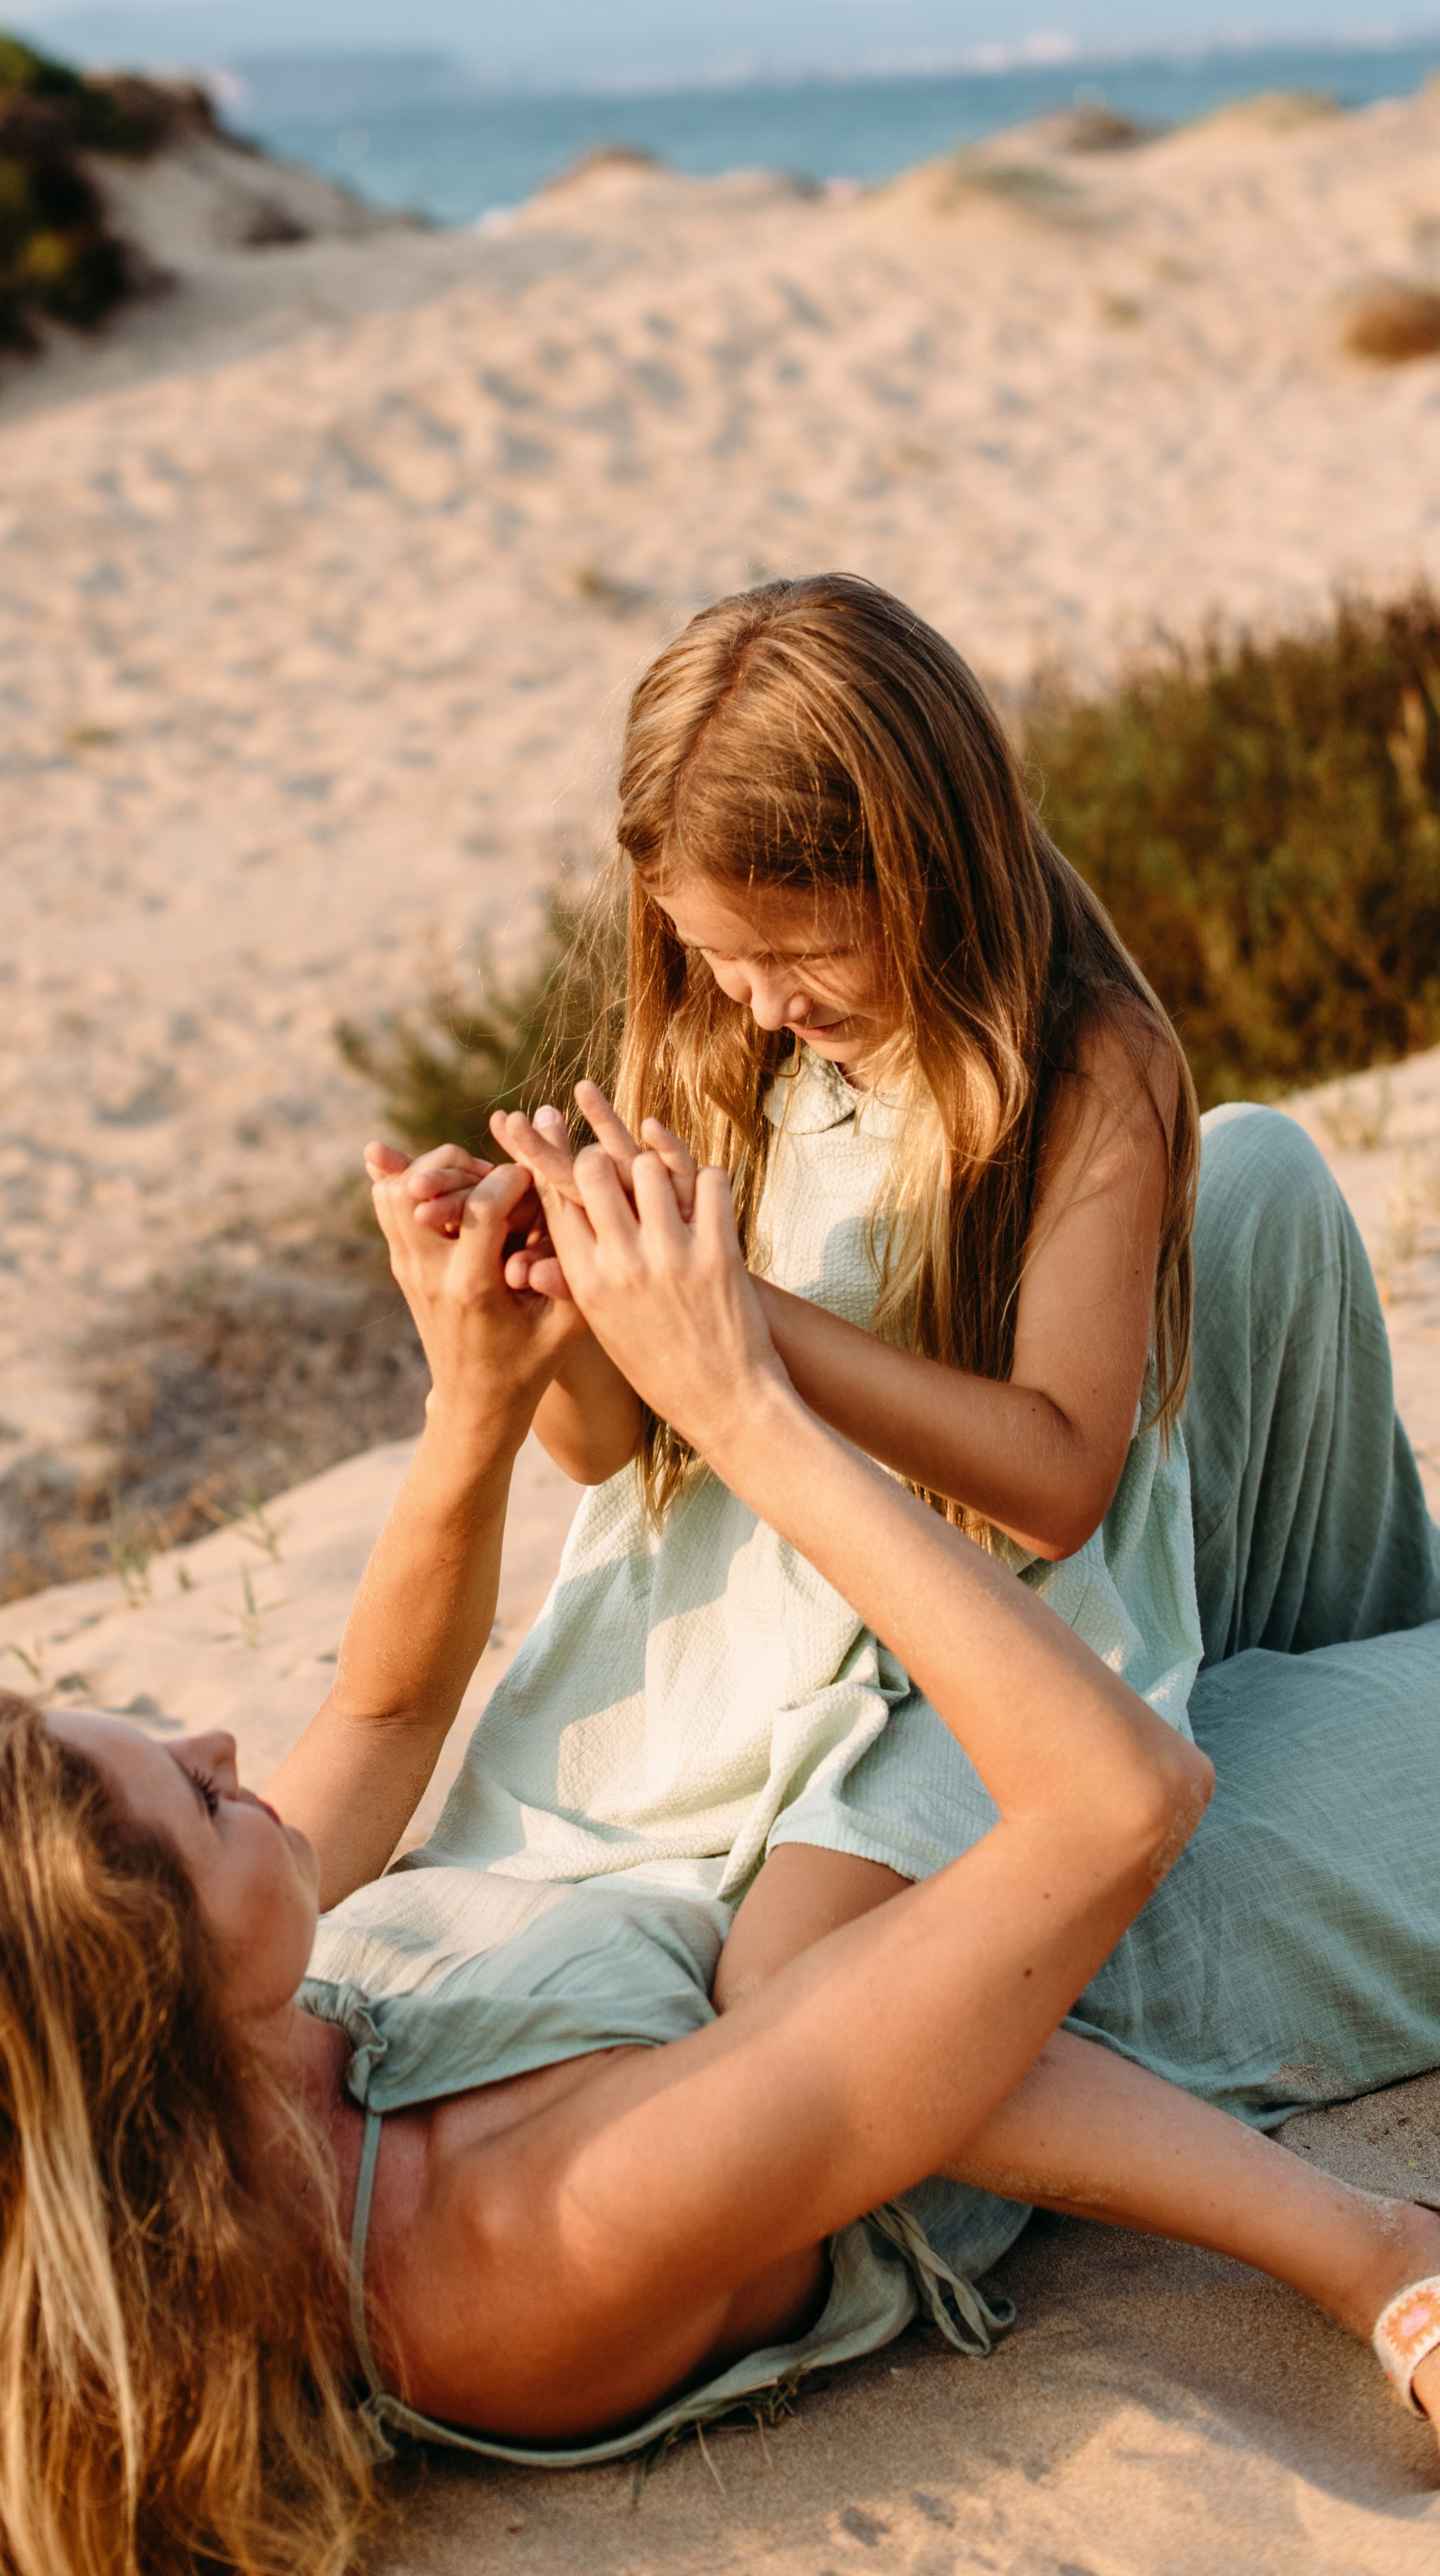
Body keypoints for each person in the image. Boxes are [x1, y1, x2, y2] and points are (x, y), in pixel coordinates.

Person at [0, 1151, 1440, 2576]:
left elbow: (386, 1705)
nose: (220, 1750)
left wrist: (470, 1396)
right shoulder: (509, 2247)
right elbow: (1106, 1805)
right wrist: (743, 1407)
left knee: (1249, 1197)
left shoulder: (261, 2038)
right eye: (186, 1797)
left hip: (850, 1732)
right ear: (139, 2008)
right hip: (1082, 1910)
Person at [370, 571, 1211, 2001]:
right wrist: (554, 1321)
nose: (760, 997)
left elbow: (1060, 1479)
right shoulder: (717, 1045)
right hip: (720, 1648)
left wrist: (731, 1320)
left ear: (929, 867)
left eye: (801, 949)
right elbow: (606, 1451)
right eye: (716, 953)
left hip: (965, 1656)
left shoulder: (1081, 1071)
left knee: (790, 2001)